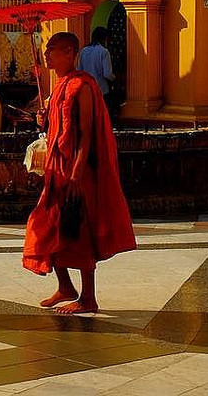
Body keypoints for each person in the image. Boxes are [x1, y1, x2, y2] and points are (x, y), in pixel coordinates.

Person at [23, 31, 135, 315]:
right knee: (46, 225)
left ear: (70, 53)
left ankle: (88, 297)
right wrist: (43, 118)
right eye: (47, 50)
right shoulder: (59, 85)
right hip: (56, 169)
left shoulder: (82, 86)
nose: (47, 55)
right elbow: (57, 126)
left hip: (76, 170)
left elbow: (86, 135)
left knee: (78, 228)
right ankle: (65, 287)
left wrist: (75, 174)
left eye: (53, 50)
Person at [78, 26, 114, 102]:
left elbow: (79, 70)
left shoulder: (83, 51)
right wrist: (114, 79)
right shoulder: (104, 51)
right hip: (101, 89)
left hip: (87, 88)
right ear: (104, 38)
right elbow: (107, 74)